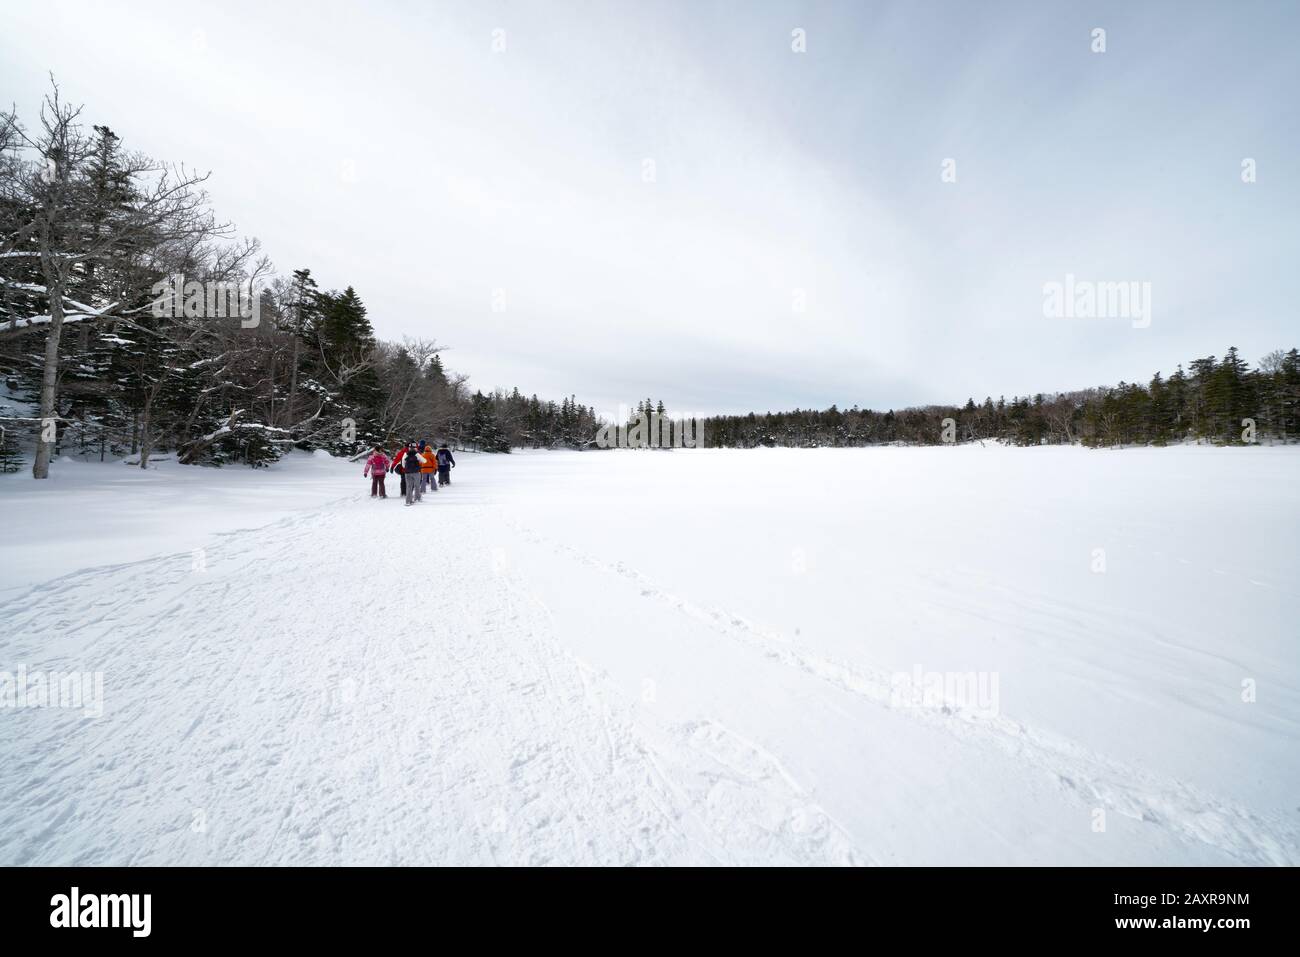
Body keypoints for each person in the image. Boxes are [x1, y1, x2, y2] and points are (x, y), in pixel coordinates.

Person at [402, 441, 424, 505]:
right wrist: (419, 461)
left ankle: (408, 501)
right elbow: (424, 461)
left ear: (409, 448)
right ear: (415, 448)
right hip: (416, 472)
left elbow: (403, 464)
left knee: (409, 487)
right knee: (417, 485)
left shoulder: (405, 454)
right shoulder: (417, 454)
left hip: (407, 473)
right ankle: (417, 498)